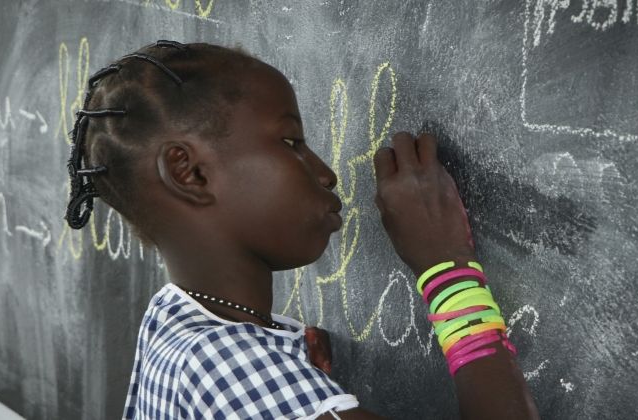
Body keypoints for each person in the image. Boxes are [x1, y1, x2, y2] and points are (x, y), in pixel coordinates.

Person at [64, 40, 539, 419]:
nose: (325, 172)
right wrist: (448, 270)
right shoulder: (234, 369)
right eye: (292, 142)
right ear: (191, 173)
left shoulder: (173, 318)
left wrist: (295, 379)